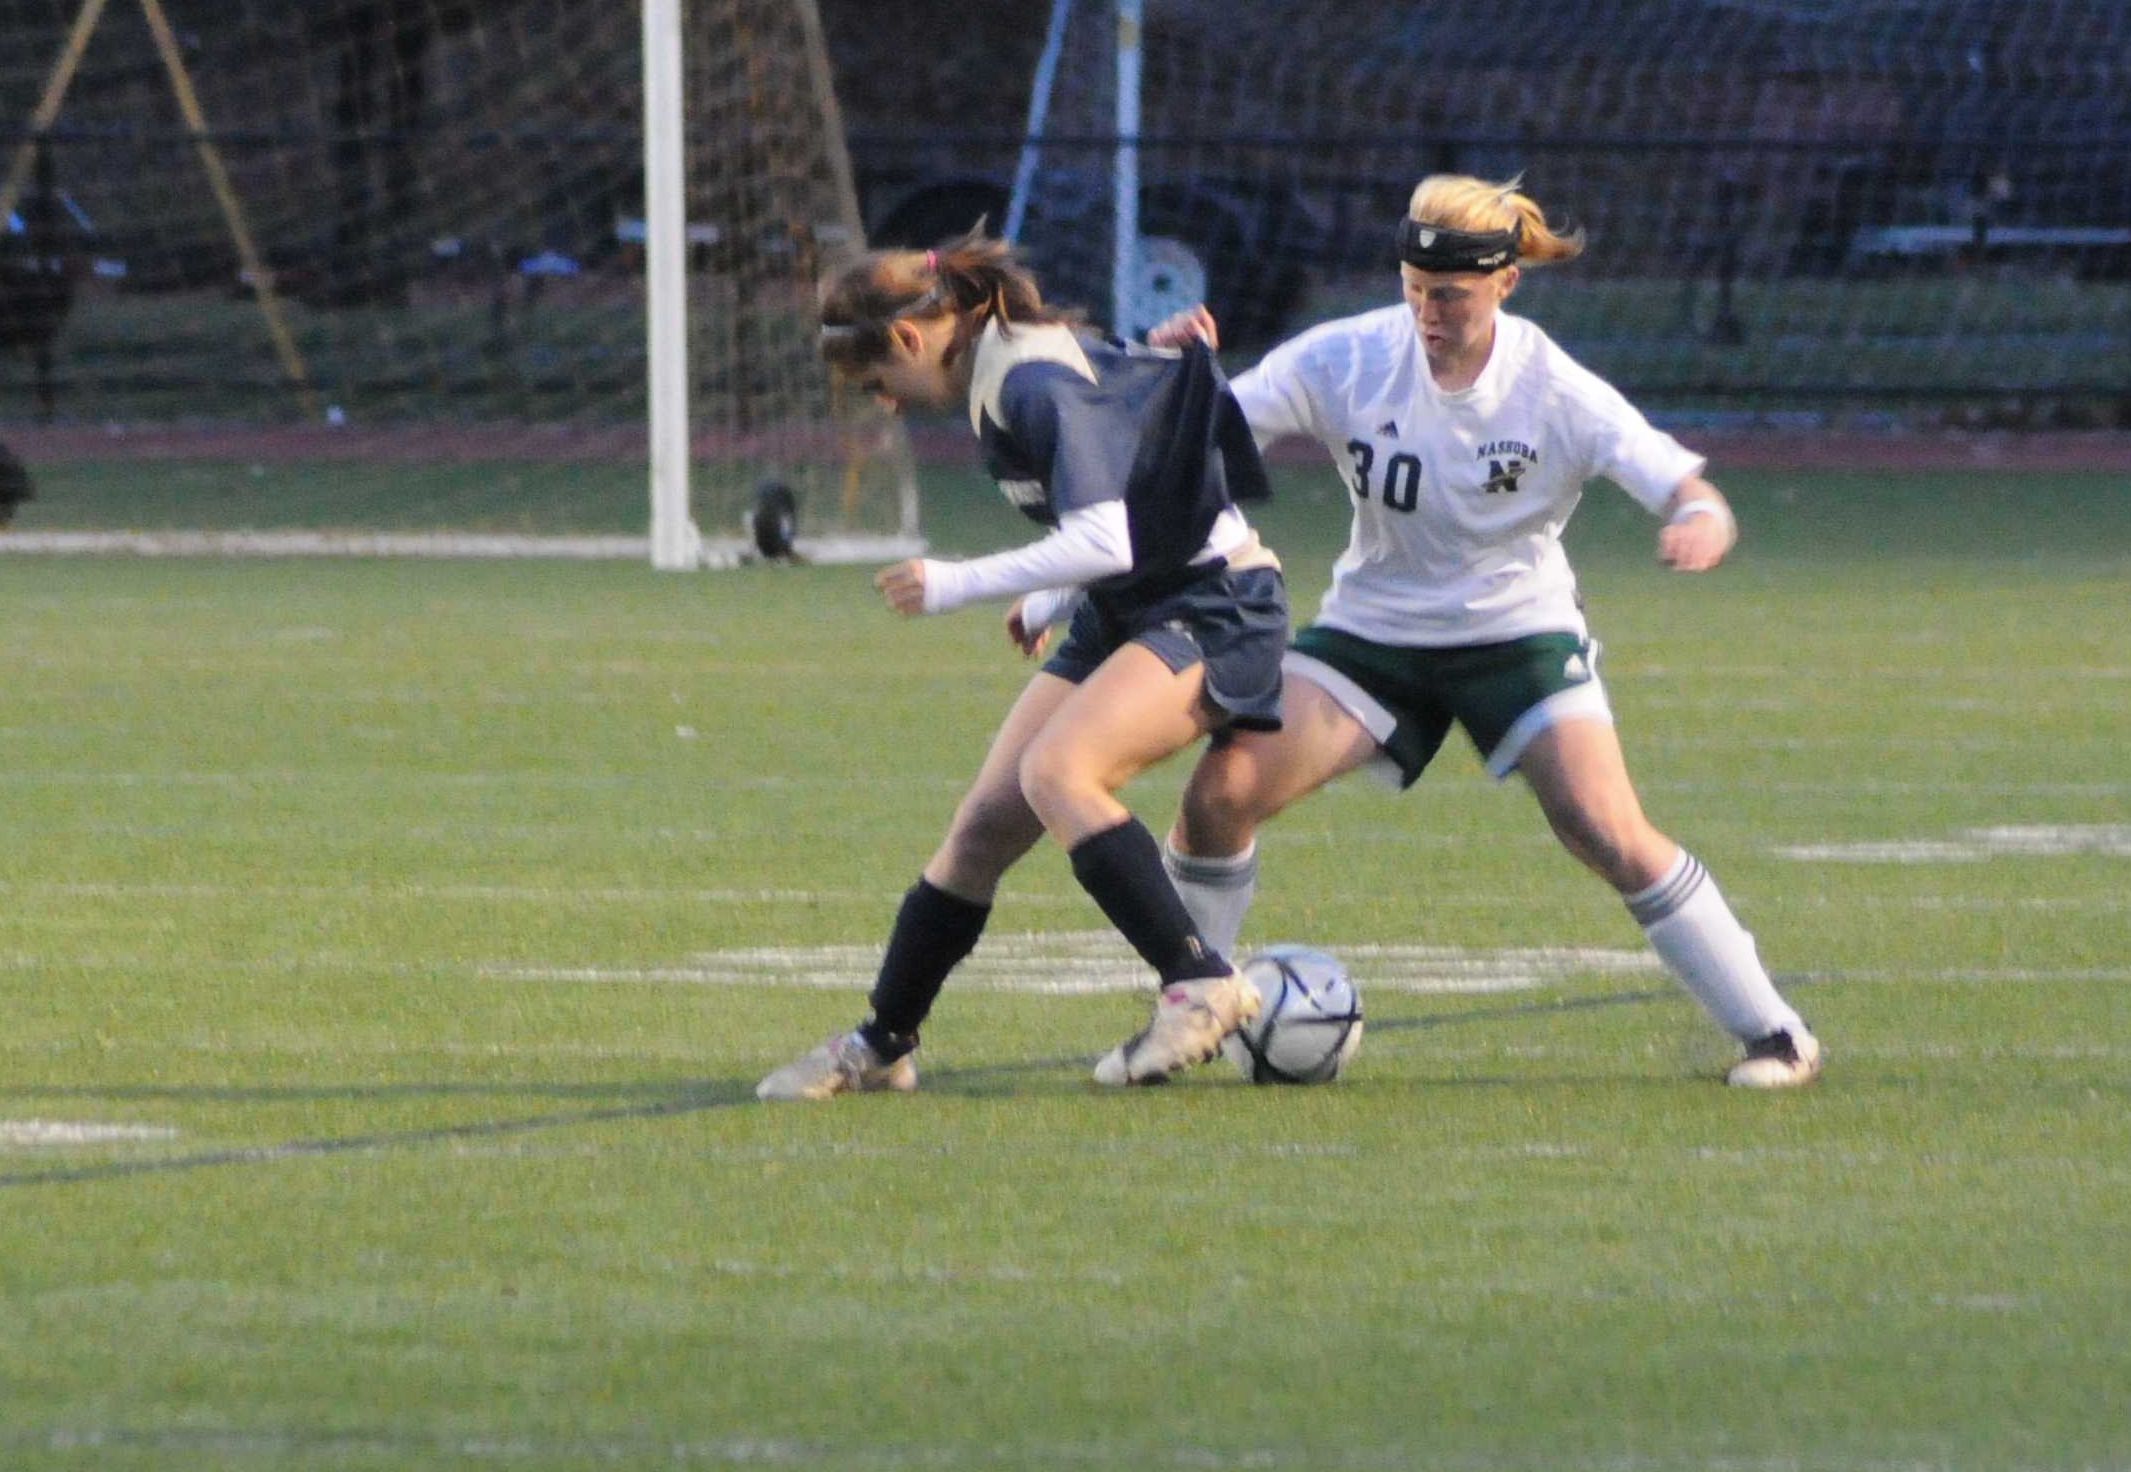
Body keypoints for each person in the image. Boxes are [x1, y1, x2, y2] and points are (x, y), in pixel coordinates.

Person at [1153, 175, 1821, 1088]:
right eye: (1415, 290)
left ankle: (1777, 1034)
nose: (1429, 313)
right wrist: (1173, 376)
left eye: (1452, 296)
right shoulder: (1346, 357)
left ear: (1505, 282)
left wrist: (1702, 519)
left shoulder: (1554, 388)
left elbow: (1686, 487)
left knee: (1603, 826)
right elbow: (1197, 445)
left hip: (1518, 633)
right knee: (1218, 796)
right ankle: (1193, 1009)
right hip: (1373, 632)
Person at [759, 235, 1286, 1099]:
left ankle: (1199, 984)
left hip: (1214, 604)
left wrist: (955, 582)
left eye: (877, 383)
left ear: (908, 339)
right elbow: (1139, 456)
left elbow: (1104, 537)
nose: (885, 404)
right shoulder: (1009, 355)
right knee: (984, 826)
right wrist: (1050, 598)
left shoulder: (1026, 379)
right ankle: (881, 1045)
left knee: (1058, 773)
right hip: (1125, 603)